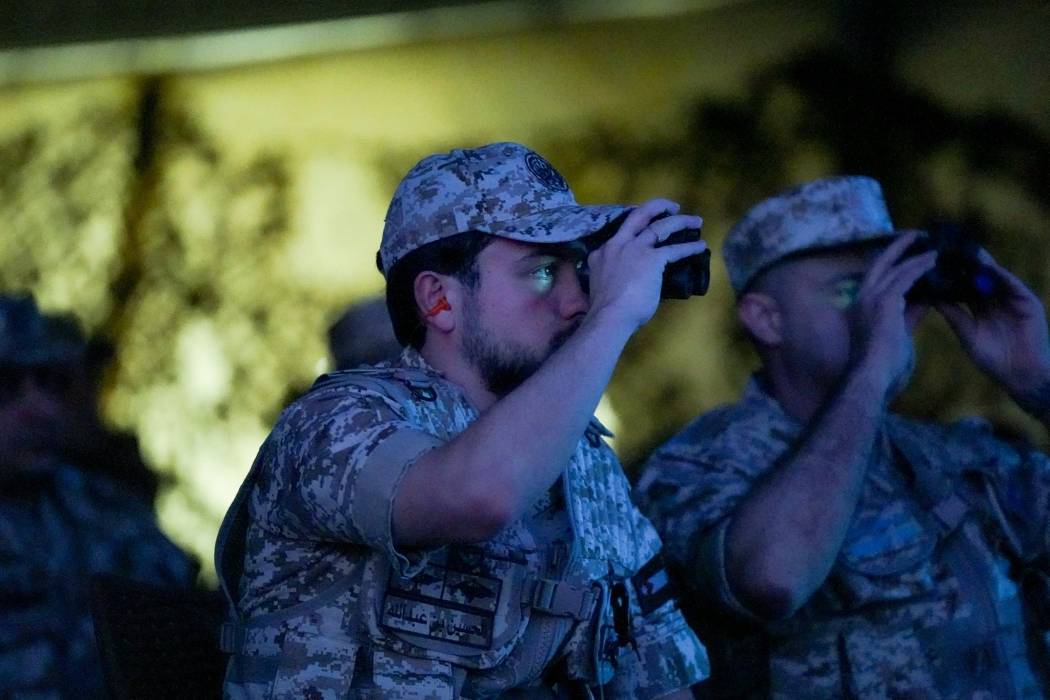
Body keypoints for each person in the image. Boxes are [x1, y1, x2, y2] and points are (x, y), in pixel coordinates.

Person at [215, 142, 710, 698]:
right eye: (543, 273)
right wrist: (615, 315)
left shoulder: (586, 464)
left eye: (579, 271)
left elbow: (659, 683)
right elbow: (480, 496)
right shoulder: (335, 423)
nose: (577, 302)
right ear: (439, 301)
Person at [636, 175, 1050, 699]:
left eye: (895, 287)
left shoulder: (954, 454)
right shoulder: (703, 462)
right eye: (851, 291)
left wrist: (1038, 384)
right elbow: (771, 580)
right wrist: (871, 370)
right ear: (767, 319)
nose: (884, 311)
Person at [0, 294, 197, 698]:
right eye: (7, 387)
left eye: (51, 384)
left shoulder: (101, 507)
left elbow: (180, 614)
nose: (40, 410)